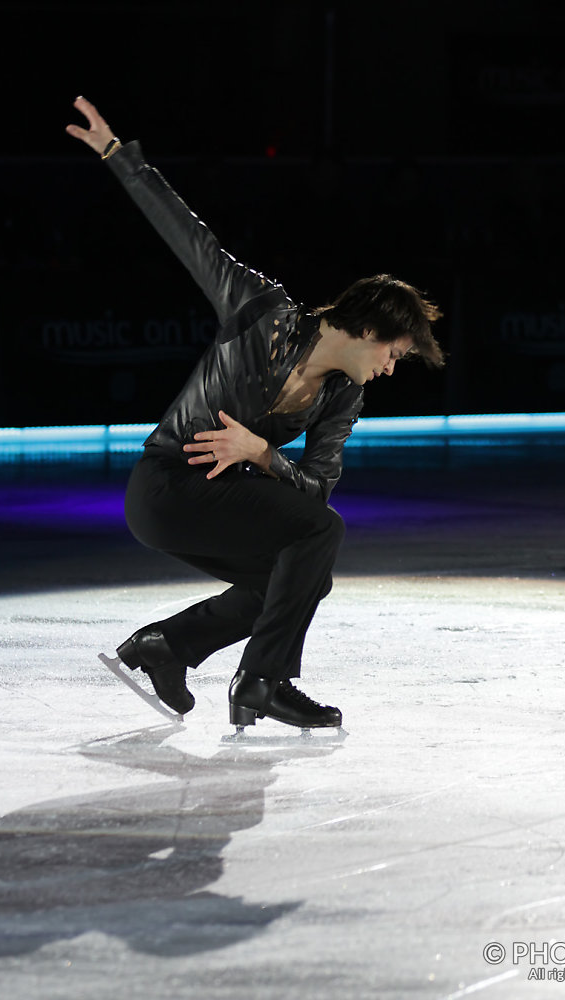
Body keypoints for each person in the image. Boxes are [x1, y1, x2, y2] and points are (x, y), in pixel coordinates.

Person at [66, 97, 444, 731]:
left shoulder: (343, 396)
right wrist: (117, 156)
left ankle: (170, 646)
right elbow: (189, 236)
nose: (389, 369)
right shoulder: (261, 313)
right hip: (165, 485)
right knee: (319, 539)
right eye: (394, 353)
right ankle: (261, 684)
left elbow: (317, 487)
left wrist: (263, 454)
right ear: (370, 327)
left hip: (219, 495)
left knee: (301, 574)